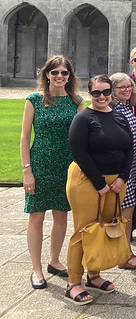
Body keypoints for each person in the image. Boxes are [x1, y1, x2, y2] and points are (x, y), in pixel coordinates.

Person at [66, 75, 133, 305]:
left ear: (111, 92)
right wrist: (100, 184)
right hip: (87, 180)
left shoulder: (119, 116)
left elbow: (130, 150)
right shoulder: (83, 118)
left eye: (106, 92)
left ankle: (93, 275)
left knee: (103, 228)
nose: (102, 97)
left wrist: (123, 178)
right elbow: (79, 153)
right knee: (84, 229)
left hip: (115, 183)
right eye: (96, 93)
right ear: (90, 94)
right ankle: (73, 282)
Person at [20, 55, 83, 289]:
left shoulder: (76, 101)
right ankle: (36, 269)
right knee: (36, 215)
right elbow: (25, 137)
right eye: (55, 72)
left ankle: (54, 260)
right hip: (40, 164)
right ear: (47, 74)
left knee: (61, 214)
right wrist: (27, 171)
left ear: (70, 76)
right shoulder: (34, 100)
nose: (59, 76)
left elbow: (80, 139)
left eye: (64, 73)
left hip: (66, 166)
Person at [110, 73, 136, 270]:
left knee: (127, 211)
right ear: (113, 90)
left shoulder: (126, 107)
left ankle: (124, 251)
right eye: (120, 87)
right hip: (120, 170)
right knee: (124, 211)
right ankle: (124, 254)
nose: (126, 90)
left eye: (128, 86)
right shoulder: (113, 110)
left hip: (130, 168)